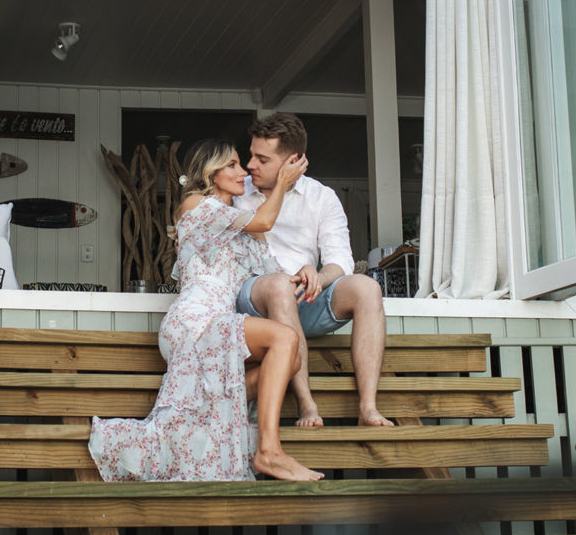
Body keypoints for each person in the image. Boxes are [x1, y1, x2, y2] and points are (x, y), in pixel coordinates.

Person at [89, 139, 324, 483]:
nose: (242, 171)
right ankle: (269, 451)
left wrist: (304, 271)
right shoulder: (196, 204)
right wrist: (283, 185)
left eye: (241, 165)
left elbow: (272, 273)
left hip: (218, 320)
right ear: (210, 172)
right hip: (195, 320)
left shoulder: (242, 229)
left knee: (292, 359)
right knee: (285, 339)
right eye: (232, 165)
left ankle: (213, 412)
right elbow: (263, 221)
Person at [236, 112, 392, 428]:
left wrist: (317, 276)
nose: (250, 164)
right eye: (250, 154)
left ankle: (369, 408)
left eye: (261, 159)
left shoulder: (321, 197)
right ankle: (308, 407)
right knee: (280, 285)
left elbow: (341, 261)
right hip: (254, 301)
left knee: (366, 288)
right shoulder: (238, 193)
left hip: (304, 300)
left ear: (292, 160)